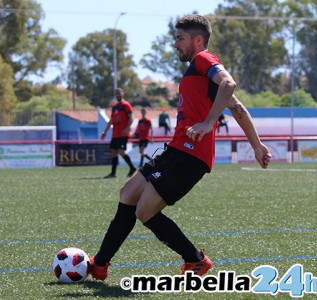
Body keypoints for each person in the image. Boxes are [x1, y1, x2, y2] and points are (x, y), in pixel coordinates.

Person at [88, 14, 272, 281]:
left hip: (189, 155)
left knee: (144, 211)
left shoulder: (203, 59)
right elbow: (238, 107)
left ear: (198, 40)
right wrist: (257, 145)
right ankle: (100, 264)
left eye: (180, 38)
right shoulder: (200, 73)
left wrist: (209, 123)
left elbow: (230, 84)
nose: (176, 44)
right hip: (176, 150)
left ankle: (195, 260)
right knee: (128, 193)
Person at [101, 88, 137, 178]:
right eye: (116, 93)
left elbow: (131, 118)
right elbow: (111, 120)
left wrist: (127, 128)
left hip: (123, 134)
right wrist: (105, 132)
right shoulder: (114, 107)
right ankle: (113, 173)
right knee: (114, 152)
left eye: (119, 93)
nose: (118, 94)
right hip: (115, 134)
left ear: (122, 94)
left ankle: (132, 168)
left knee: (121, 151)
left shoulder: (126, 105)